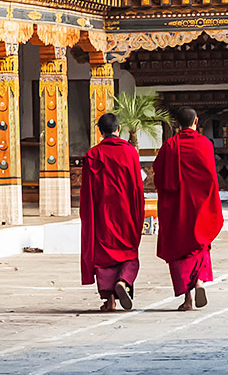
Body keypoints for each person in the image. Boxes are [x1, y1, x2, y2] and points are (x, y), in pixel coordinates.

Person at [154, 106, 223, 311]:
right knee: (199, 244)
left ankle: (187, 299)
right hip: (199, 205)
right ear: (196, 121)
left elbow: (158, 175)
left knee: (179, 248)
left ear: (177, 124)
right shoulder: (205, 144)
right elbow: (211, 176)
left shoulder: (169, 145)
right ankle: (200, 281)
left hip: (177, 207)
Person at [79, 112, 146, 311]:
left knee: (104, 256)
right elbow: (136, 187)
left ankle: (109, 301)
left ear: (100, 132)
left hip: (102, 214)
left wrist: (88, 217)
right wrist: (138, 215)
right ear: (118, 129)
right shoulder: (130, 152)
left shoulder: (92, 155)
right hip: (126, 212)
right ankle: (123, 282)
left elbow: (87, 192)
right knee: (128, 252)